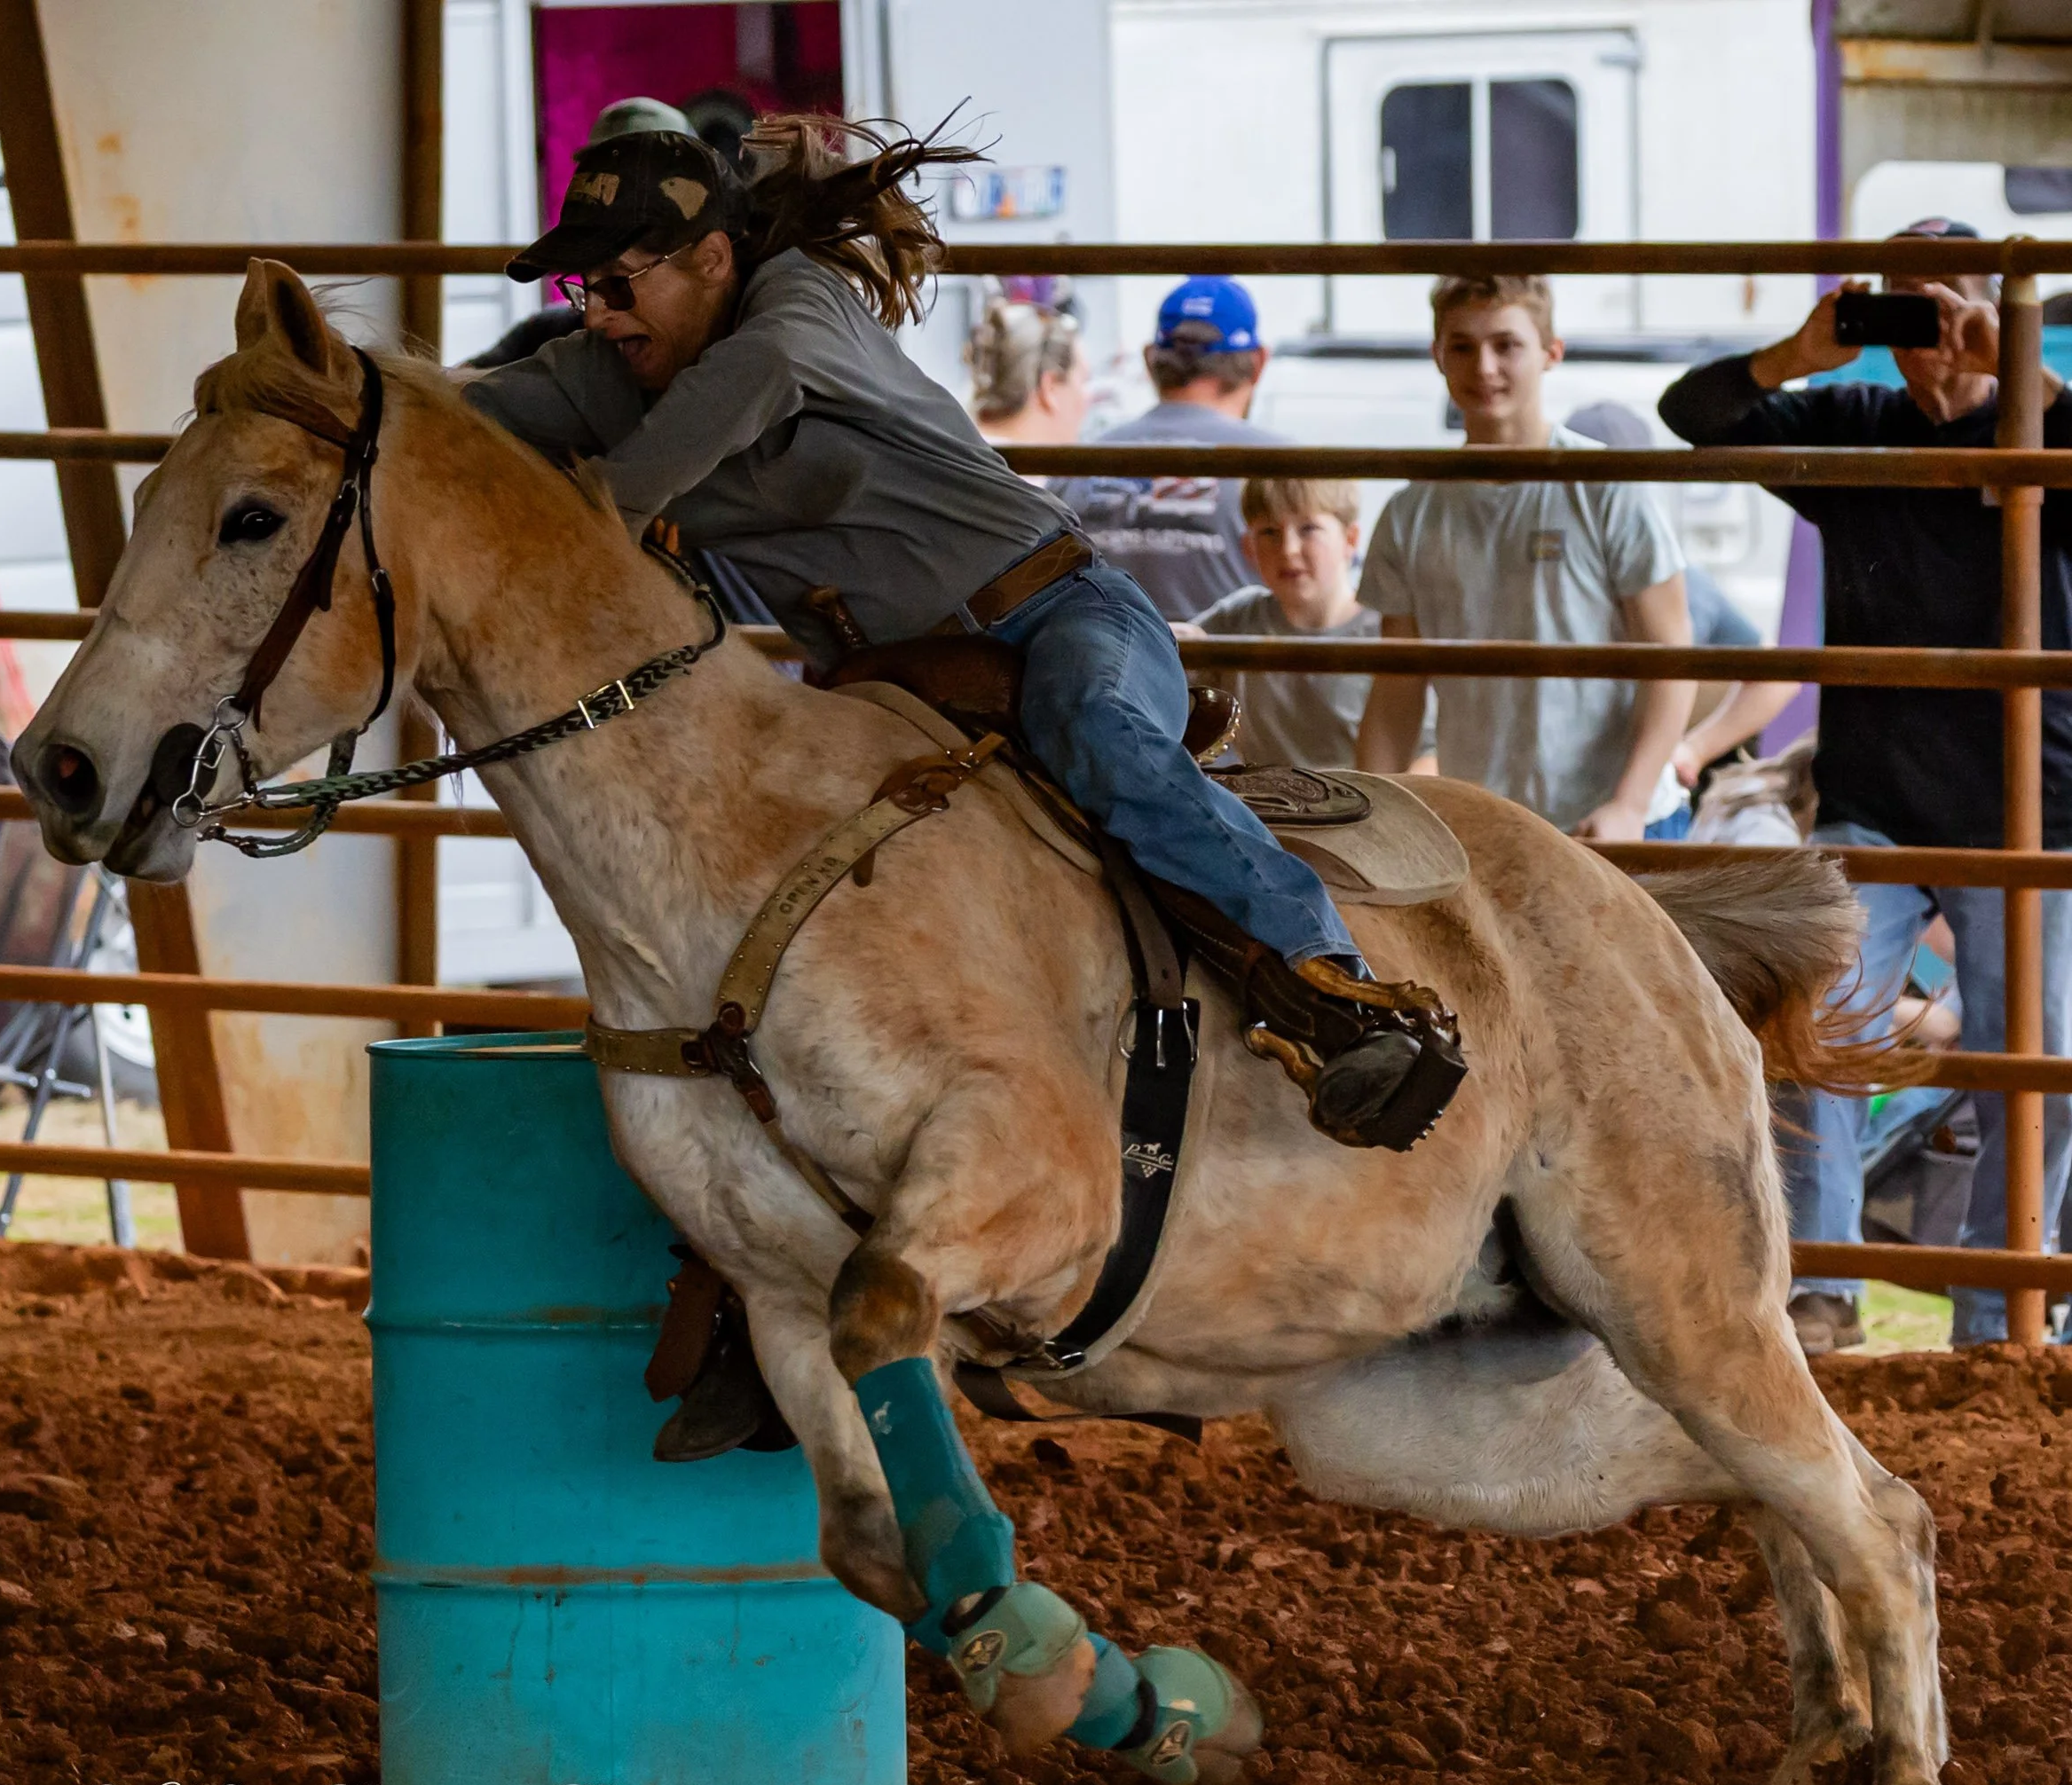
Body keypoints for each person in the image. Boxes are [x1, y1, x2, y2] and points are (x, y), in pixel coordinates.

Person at [461, 122, 1461, 1180]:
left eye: (621, 283)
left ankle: (1334, 987)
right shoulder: (608, 366)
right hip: (893, 683)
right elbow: (449, 415)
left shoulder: (791, 311)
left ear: (714, 259)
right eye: (586, 292)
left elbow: (625, 489)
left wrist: (559, 473)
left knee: (1097, 733)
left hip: (1060, 613)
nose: (602, 314)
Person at [1660, 215, 2072, 1353]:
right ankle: (1824, 1291)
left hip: (2034, 807)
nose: (1925, 334)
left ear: (1996, 308)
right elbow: (1692, 418)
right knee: (1815, 1037)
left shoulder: (2043, 427)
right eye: (1900, 305)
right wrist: (1796, 356)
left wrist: (2014, 364)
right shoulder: (1851, 425)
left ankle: (2004, 1318)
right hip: (1873, 802)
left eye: (1946, 304)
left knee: (2035, 1070)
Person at [1354, 275, 1696, 841]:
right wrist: (1367, 821)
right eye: (1461, 346)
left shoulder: (1607, 486)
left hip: (1613, 823)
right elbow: (1397, 691)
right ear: (1438, 356)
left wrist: (1630, 805)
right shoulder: (1410, 512)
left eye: (1506, 345)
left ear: (1550, 353)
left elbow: (1673, 660)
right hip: (1490, 829)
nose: (1484, 367)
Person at [1561, 398, 1794, 797]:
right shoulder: (1544, 573)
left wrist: (1692, 750)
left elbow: (1777, 675)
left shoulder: (1680, 583)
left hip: (1632, 798)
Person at [1047, 276, 1288, 617]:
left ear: (1150, 359)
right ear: (1259, 362)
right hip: (1227, 670)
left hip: (1102, 668)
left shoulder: (1076, 466)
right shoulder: (1288, 468)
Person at [1179, 476, 1432, 774]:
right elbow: (1179, 645)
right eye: (1270, 532)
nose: (1288, 549)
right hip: (1266, 807)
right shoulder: (1237, 617)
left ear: (1350, 540)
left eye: (1308, 529)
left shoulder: (1387, 631)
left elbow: (1426, 754)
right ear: (1249, 548)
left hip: (1363, 805)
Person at [464, 97, 697, 372]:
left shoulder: (735, 342)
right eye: (601, 175)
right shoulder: (550, 331)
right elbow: (458, 385)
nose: (595, 316)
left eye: (644, 175)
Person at [967, 296, 1089, 450]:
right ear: (1049, 387)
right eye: (1084, 381)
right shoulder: (1016, 472)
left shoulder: (950, 457)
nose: (1087, 399)